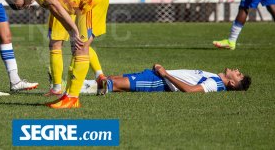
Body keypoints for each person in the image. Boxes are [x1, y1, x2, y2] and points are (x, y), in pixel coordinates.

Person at [4, 0, 109, 109]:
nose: (25, 6)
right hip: (84, 2)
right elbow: (55, 10)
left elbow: (54, 3)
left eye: (20, 5)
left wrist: (73, 29)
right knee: (77, 48)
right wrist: (71, 31)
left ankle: (72, 98)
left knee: (81, 47)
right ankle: (69, 96)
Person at [82, 64, 251, 94]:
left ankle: (75, 90)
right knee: (112, 79)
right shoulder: (216, 78)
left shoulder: (215, 84)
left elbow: (191, 91)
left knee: (113, 84)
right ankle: (79, 87)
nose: (236, 70)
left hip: (159, 81)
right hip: (158, 76)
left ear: (231, 83)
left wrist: (165, 74)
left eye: (238, 74)